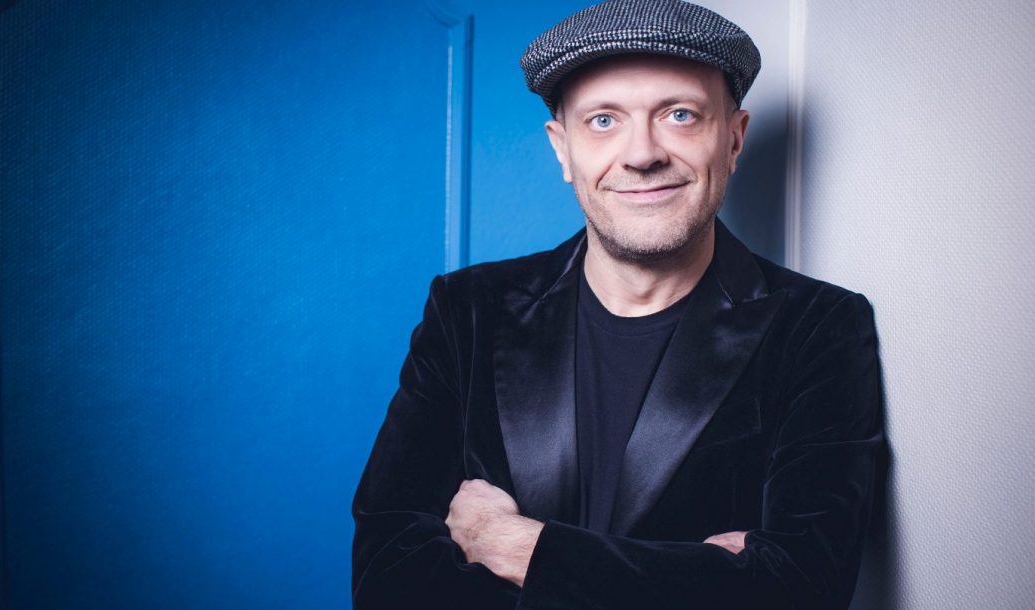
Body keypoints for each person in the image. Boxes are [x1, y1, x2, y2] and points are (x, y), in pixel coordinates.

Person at [352, 1, 882, 608]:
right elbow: (387, 576)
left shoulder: (820, 328)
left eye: (680, 115)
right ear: (562, 150)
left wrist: (517, 547)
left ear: (733, 140)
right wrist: (695, 579)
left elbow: (798, 591)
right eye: (603, 120)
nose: (642, 154)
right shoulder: (465, 311)